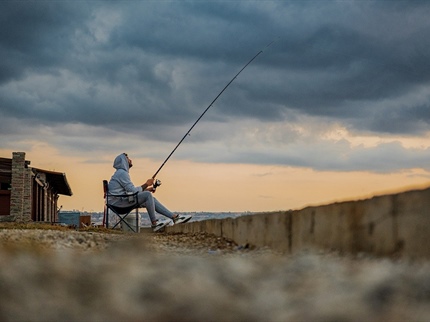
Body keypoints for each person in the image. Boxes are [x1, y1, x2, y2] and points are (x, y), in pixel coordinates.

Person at [107, 153, 191, 232]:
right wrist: (147, 184)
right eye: (127, 158)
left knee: (151, 199)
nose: (130, 160)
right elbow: (133, 191)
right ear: (123, 161)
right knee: (147, 196)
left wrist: (147, 189)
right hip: (119, 204)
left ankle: (174, 217)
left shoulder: (120, 173)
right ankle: (154, 224)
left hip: (120, 201)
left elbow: (131, 191)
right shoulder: (122, 173)